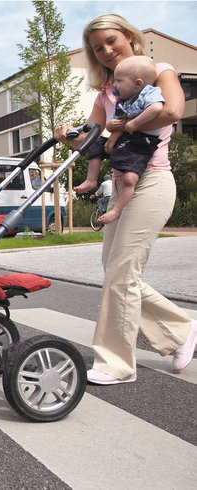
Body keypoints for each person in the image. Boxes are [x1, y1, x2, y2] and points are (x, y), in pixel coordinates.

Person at [54, 14, 197, 385]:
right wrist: (66, 134)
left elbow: (173, 110)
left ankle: (115, 364)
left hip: (152, 182)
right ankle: (182, 329)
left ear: (130, 37)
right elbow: (90, 136)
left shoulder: (159, 71)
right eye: (97, 48)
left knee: (121, 272)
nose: (106, 51)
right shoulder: (106, 93)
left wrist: (125, 125)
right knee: (115, 269)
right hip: (119, 187)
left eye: (111, 41)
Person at [74, 56, 164, 224]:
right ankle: (91, 179)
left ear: (138, 83)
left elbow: (157, 108)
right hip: (124, 137)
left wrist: (135, 123)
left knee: (130, 178)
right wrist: (112, 126)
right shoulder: (123, 100)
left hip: (141, 142)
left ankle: (116, 210)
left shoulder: (149, 93)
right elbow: (111, 125)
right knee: (97, 145)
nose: (114, 85)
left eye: (119, 81)